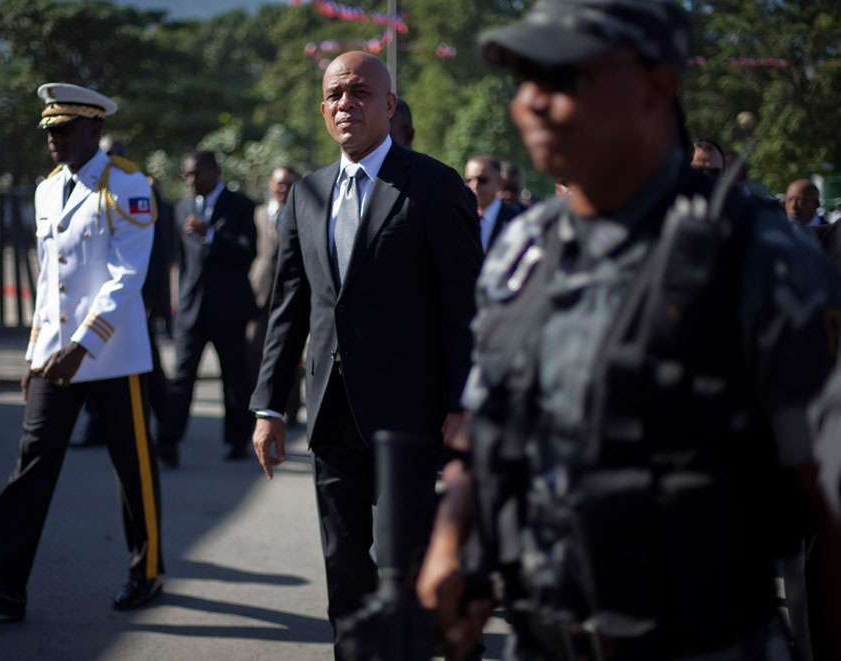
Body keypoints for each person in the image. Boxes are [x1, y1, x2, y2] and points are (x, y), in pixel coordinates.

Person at [417, 3, 841, 660]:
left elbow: (826, 502)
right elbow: (485, 423)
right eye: (527, 78)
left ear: (655, 85)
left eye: (567, 76)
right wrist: (449, 546)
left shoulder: (758, 258)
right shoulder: (521, 249)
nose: (533, 101)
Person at [249, 51, 482, 658]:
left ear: (388, 105)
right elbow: (289, 308)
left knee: (405, 557)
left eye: (358, 92)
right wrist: (268, 408)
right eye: (334, 95)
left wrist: (462, 403)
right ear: (323, 109)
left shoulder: (434, 185)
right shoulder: (307, 192)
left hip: (411, 415)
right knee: (344, 562)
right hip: (331, 413)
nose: (345, 104)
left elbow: (466, 308)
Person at [0, 83, 164, 619]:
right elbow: (49, 284)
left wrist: (82, 345)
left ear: (93, 128)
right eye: (48, 130)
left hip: (113, 356)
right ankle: (5, 582)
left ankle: (147, 571)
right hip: (55, 355)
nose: (54, 139)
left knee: (132, 467)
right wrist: (35, 351)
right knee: (32, 463)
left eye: (64, 129)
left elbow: (127, 276)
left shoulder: (127, 183)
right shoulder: (47, 190)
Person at [72, 134, 174, 447]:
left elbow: (159, 253)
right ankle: (96, 426)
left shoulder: (138, 190)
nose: (108, 159)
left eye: (114, 153)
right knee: (95, 359)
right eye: (105, 153)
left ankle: (168, 428)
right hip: (96, 300)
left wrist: (152, 298)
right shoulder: (87, 191)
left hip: (134, 299)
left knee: (148, 368)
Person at [158, 150, 257, 466]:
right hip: (191, 311)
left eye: (196, 174)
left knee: (234, 379)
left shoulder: (240, 205)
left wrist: (211, 235)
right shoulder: (182, 208)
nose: (191, 181)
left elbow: (247, 251)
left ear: (215, 172)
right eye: (187, 175)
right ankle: (168, 441)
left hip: (228, 310)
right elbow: (180, 261)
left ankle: (238, 440)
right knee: (182, 378)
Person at [247, 165, 302, 424]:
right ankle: (262, 406)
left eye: (289, 185)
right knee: (255, 349)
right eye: (279, 184)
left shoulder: (302, 213)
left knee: (290, 353)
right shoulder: (258, 213)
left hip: (290, 292)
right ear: (271, 185)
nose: (283, 189)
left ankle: (290, 407)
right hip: (260, 291)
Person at [465, 154, 522, 254]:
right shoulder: (460, 217)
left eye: (482, 180)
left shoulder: (515, 221)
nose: (474, 186)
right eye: (468, 180)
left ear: (500, 182)